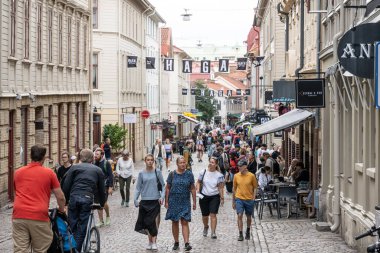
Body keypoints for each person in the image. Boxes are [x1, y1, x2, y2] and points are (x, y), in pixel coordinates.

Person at [13, 144, 66, 253]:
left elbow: (16, 192)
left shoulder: (18, 172)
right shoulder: (49, 173)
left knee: (20, 250)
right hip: (38, 216)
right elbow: (60, 197)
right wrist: (61, 209)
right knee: (41, 249)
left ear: (30, 156)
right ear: (44, 158)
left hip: (19, 214)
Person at [62, 148, 106, 252]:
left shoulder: (74, 168)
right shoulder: (97, 170)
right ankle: (76, 250)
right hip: (87, 198)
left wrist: (66, 201)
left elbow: (66, 186)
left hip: (74, 197)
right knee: (82, 228)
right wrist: (102, 203)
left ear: (80, 158)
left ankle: (70, 248)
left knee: (72, 225)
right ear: (92, 159)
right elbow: (101, 190)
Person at [134, 154, 165, 251]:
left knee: (154, 222)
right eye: (148, 160)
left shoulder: (157, 172)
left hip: (155, 200)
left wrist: (162, 197)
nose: (150, 161)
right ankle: (150, 241)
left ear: (154, 161)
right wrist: (135, 199)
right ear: (145, 161)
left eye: (152, 160)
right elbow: (138, 188)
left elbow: (163, 186)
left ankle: (154, 242)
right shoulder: (141, 173)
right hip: (144, 200)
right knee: (147, 223)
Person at [165, 156, 197, 251]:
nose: (183, 164)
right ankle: (176, 242)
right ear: (177, 164)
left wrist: (194, 201)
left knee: (185, 221)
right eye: (181, 163)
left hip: (185, 201)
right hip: (173, 201)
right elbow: (168, 188)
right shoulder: (172, 174)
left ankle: (187, 243)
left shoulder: (189, 174)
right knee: (175, 221)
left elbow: (192, 188)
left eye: (184, 163)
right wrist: (166, 201)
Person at [197, 157, 225, 239]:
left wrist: (222, 198)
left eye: (213, 162)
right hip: (204, 196)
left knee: (213, 214)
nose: (210, 163)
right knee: (205, 215)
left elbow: (220, 187)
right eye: (210, 162)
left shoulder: (219, 175)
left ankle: (213, 232)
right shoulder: (203, 172)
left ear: (216, 164)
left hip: (214, 196)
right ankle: (206, 226)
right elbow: (198, 182)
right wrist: (198, 189)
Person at [232, 159, 258, 241]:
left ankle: (247, 230)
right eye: (238, 166)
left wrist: (253, 197)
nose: (239, 168)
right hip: (239, 198)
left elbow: (255, 187)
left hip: (249, 199)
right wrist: (233, 201)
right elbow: (234, 189)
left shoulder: (251, 176)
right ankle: (240, 234)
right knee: (239, 215)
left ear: (245, 166)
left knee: (249, 216)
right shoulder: (236, 176)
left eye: (240, 166)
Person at [94, 148, 114, 226]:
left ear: (102, 155)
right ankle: (101, 221)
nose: (95, 156)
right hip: (96, 187)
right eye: (95, 154)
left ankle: (108, 216)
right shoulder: (94, 164)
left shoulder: (106, 163)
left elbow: (110, 175)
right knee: (98, 204)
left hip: (105, 186)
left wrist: (110, 187)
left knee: (104, 203)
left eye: (97, 154)